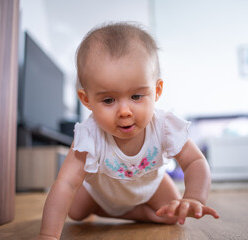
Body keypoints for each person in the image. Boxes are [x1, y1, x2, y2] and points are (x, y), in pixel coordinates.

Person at [35, 22, 219, 240]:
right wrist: (48, 235)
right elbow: (65, 183)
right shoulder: (90, 135)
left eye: (136, 97)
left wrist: (194, 197)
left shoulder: (165, 126)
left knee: (173, 214)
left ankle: (130, 212)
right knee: (74, 211)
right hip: (101, 193)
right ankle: (115, 211)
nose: (124, 111)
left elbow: (195, 162)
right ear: (87, 100)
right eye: (109, 100)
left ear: (156, 91)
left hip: (150, 186)